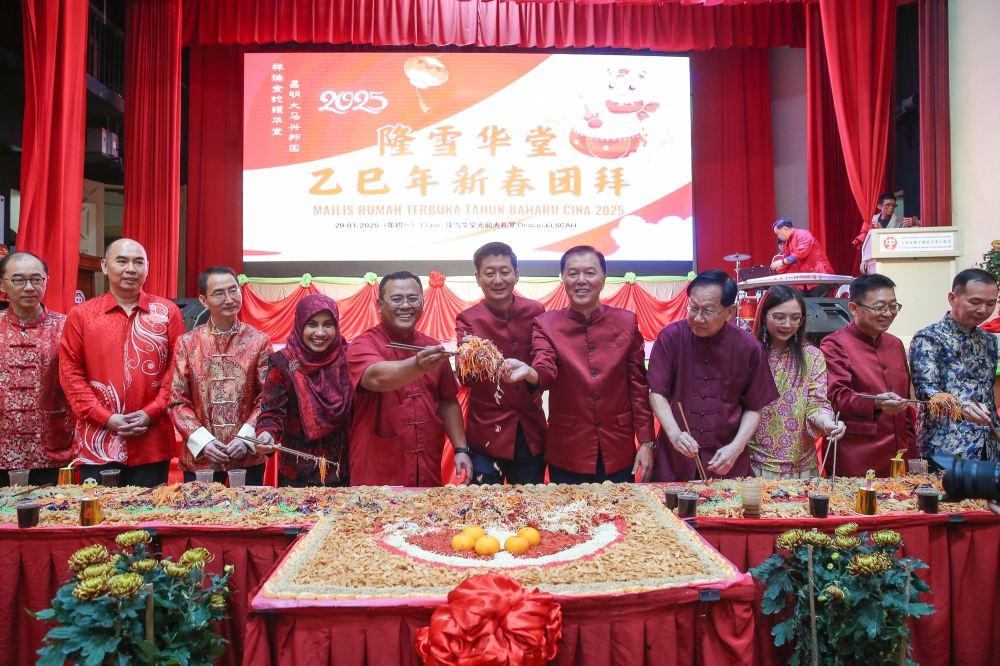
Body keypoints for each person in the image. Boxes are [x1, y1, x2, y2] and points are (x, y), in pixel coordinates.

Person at [504, 246, 656, 483]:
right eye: (573, 273)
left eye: (590, 273)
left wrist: (646, 442)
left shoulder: (626, 322)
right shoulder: (546, 324)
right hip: (568, 450)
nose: (581, 280)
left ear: (604, 279)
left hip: (617, 448)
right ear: (562, 278)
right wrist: (532, 373)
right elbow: (546, 367)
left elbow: (638, 388)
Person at [59, 239, 185, 487]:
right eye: (122, 261)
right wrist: (105, 417)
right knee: (100, 520)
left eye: (139, 262)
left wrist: (150, 413)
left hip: (151, 440)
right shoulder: (81, 315)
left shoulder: (168, 312)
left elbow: (178, 370)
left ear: (147, 268)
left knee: (149, 520)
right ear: (105, 267)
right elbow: (70, 374)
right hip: (98, 442)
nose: (131, 268)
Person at [648, 270, 779, 481]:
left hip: (726, 462)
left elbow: (755, 407)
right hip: (675, 459)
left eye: (708, 311)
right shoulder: (671, 337)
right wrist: (674, 434)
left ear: (730, 312)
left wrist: (736, 448)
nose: (698, 318)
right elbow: (657, 394)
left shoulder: (748, 348)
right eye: (693, 308)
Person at [346, 271, 473, 487]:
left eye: (413, 298)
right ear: (379, 305)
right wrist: (417, 366)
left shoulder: (432, 347)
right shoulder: (364, 344)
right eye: (396, 299)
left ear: (423, 303)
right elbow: (375, 378)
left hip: (425, 462)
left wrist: (461, 448)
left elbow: (448, 400)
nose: (405, 306)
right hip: (376, 466)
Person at [168, 267, 271, 485]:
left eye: (233, 290)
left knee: (249, 516)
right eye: (219, 293)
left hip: (247, 457)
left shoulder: (259, 341)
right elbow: (177, 402)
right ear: (203, 300)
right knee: (201, 516)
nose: (229, 299)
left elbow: (267, 397)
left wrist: (246, 438)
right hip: (201, 459)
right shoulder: (187, 343)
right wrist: (203, 442)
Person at [455, 242, 546, 485]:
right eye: (489, 273)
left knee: (530, 507)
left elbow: (544, 362)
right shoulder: (468, 319)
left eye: (505, 272)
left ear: (516, 275)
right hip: (486, 436)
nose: (498, 280)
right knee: (485, 509)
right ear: (477, 278)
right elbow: (465, 379)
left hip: (530, 432)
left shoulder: (536, 311)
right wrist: (471, 357)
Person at [820, 274, 915, 477]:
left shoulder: (895, 344)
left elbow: (905, 408)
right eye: (879, 308)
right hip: (857, 458)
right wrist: (876, 403)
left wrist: (912, 453)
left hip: (899, 457)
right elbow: (837, 398)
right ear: (853, 308)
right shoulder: (835, 344)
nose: (888, 313)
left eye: (893, 306)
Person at [255, 294, 353, 487]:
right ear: (300, 325)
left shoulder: (349, 358)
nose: (320, 332)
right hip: (297, 475)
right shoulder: (284, 363)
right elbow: (272, 411)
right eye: (311, 324)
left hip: (344, 472)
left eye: (328, 324)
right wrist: (266, 433)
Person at [748, 286, 844, 478]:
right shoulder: (748, 353)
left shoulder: (812, 356)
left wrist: (828, 424)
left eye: (795, 318)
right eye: (779, 317)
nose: (787, 324)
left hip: (801, 463)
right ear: (764, 316)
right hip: (755, 460)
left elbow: (816, 403)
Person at [909, 269, 1000, 462]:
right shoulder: (929, 337)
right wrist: (960, 407)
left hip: (989, 445)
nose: (983, 310)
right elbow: (926, 391)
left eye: (990, 303)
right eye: (975, 302)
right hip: (947, 446)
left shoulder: (990, 340)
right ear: (952, 298)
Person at [0, 252, 74, 487]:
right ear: (2, 283)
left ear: (46, 281)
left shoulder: (67, 327)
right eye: (18, 280)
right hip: (2, 449)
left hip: (53, 448)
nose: (29, 287)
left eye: (36, 279)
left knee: (54, 517)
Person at [852, 193, 920, 248]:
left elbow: (904, 240)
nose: (891, 208)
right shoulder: (871, 220)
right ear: (879, 206)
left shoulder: (901, 221)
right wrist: (863, 260)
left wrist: (916, 224)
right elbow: (865, 242)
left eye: (893, 205)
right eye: (888, 205)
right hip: (874, 255)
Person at [769, 219, 834, 275]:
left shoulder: (803, 234)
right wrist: (776, 269)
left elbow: (802, 253)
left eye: (778, 233)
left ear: (785, 229)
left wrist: (782, 262)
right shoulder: (788, 243)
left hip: (819, 273)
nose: (778, 237)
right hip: (808, 276)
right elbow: (787, 261)